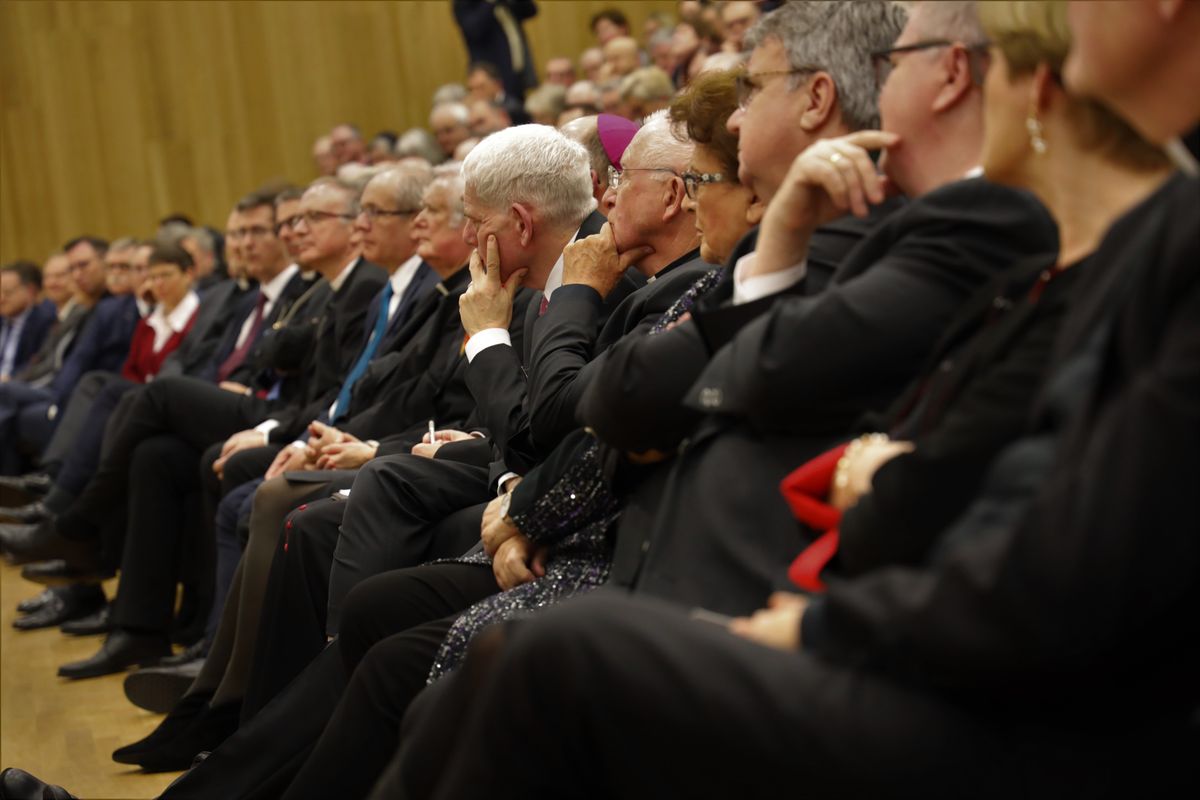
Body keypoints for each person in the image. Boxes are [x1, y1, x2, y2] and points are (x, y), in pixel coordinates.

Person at [378, 2, 1200, 796]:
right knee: (456, 668)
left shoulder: (996, 228)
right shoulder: (1075, 242)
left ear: (1029, 87)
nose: (736, 127)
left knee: (536, 658)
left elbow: (1060, 547)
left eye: (898, 63)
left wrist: (825, 606)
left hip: (1003, 707)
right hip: (857, 606)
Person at [0, 261, 56, 381]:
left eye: (7, 292)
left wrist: (9, 378)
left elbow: (38, 363)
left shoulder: (44, 321)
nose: (1, 298)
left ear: (30, 291)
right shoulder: (2, 320)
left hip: (17, 384)